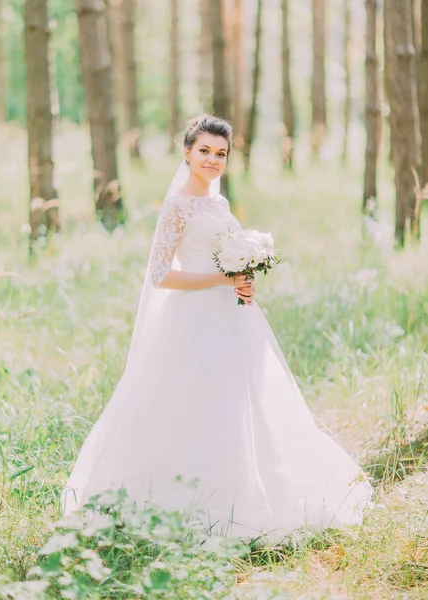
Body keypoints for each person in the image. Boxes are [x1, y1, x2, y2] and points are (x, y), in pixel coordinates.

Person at [61, 114, 372, 542]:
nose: (212, 160)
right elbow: (160, 274)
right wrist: (223, 279)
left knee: (244, 399)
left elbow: (226, 256)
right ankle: (176, 499)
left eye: (220, 154)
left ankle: (249, 490)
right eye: (204, 151)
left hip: (233, 315)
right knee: (187, 402)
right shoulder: (177, 206)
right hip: (189, 319)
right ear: (186, 153)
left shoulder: (220, 204)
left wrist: (244, 282)